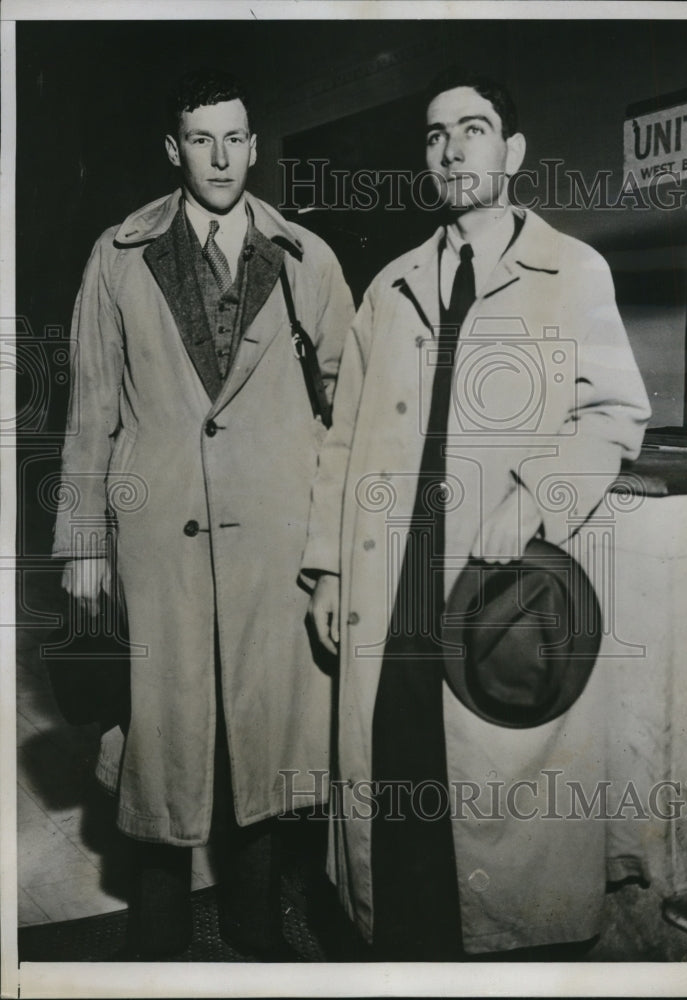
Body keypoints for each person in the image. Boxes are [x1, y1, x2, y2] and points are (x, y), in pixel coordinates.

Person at [304, 69, 652, 960]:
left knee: (496, 801)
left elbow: (615, 412)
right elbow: (341, 443)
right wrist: (329, 568)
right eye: (434, 134)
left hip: (495, 588)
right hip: (391, 584)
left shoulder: (573, 270)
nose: (453, 148)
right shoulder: (387, 288)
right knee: (401, 780)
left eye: (474, 128)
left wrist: (538, 494)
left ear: (513, 151)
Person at [53, 68, 353, 959]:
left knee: (263, 757)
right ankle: (157, 954)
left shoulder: (308, 259)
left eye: (235, 139)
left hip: (274, 548)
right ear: (173, 148)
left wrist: (337, 543)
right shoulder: (119, 256)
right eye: (201, 139)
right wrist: (81, 543)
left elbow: (349, 402)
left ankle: (259, 949)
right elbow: (91, 408)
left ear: (255, 147)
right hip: (160, 547)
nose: (220, 157)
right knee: (161, 751)